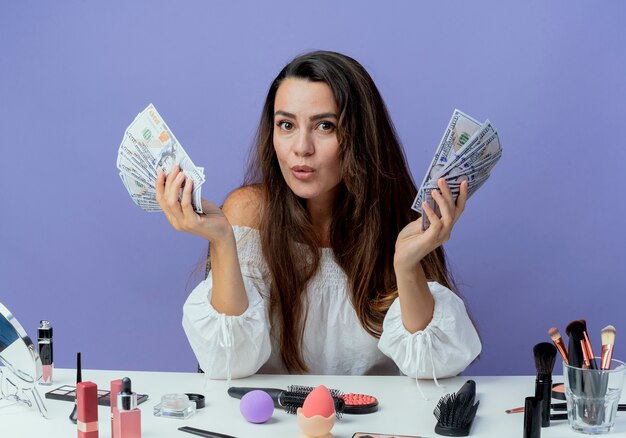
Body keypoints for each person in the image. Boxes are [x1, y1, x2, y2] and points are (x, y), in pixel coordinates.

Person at [156, 50, 481, 381]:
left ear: (360, 136)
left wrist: (407, 265)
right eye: (286, 125)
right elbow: (227, 363)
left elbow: (433, 368)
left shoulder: (397, 219)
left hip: (372, 424)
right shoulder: (249, 211)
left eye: (325, 126)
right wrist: (222, 241)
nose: (301, 147)